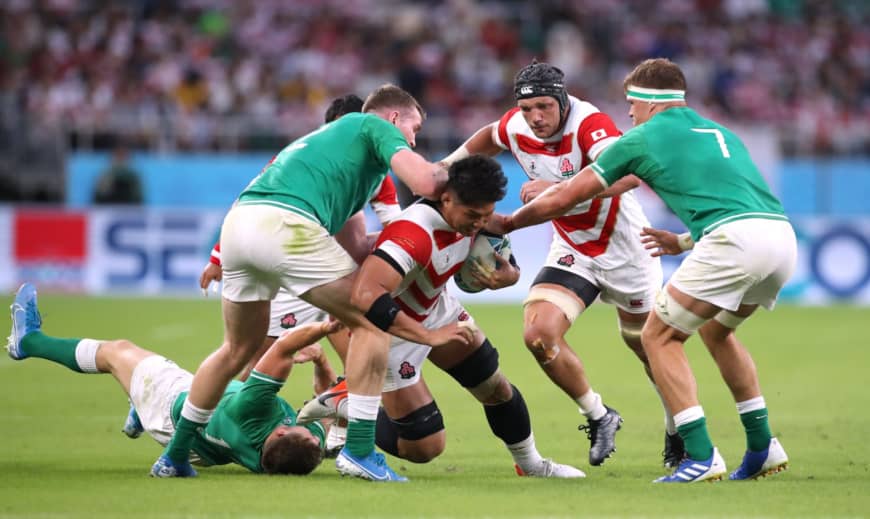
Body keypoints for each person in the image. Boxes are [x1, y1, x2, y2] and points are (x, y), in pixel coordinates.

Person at [489, 57, 795, 483]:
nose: (628, 112)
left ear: (651, 103)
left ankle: (700, 453)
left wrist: (506, 222)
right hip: (779, 238)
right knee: (716, 332)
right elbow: (739, 200)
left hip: (728, 244)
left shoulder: (642, 137)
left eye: (632, 102)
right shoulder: (719, 132)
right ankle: (762, 446)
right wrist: (684, 242)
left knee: (656, 335)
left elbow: (567, 197)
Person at [155, 84, 472, 482]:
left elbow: (363, 239)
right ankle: (358, 450)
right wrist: (469, 162)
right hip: (288, 228)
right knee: (371, 319)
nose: (413, 138)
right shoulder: (375, 126)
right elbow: (427, 183)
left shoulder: (324, 148)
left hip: (242, 225)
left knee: (236, 350)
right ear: (394, 117)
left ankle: (175, 455)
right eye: (415, 127)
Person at [439, 61, 674, 467]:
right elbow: (488, 137)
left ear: (563, 101)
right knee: (538, 334)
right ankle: (599, 415)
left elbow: (630, 177)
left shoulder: (588, 124)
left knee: (649, 349)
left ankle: (677, 430)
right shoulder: (516, 125)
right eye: (528, 109)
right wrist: (444, 167)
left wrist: (561, 190)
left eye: (545, 107)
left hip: (627, 251)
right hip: (573, 249)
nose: (535, 118)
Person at [299, 155, 585, 479]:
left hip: (436, 309)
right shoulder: (413, 234)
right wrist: (430, 337)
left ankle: (532, 465)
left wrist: (511, 276)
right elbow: (365, 296)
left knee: (495, 388)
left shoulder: (474, 214)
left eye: (486, 215)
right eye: (473, 216)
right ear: (445, 198)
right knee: (424, 447)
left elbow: (502, 233)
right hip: (388, 330)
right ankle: (350, 404)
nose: (479, 223)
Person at [6, 283, 340, 476]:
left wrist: (326, 327)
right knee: (229, 384)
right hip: (207, 450)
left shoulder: (255, 413)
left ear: (281, 431)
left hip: (171, 407)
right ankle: (137, 406)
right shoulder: (295, 451)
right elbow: (325, 409)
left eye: (294, 424)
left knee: (118, 352)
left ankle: (29, 342)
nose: (300, 419)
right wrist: (322, 360)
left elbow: (283, 348)